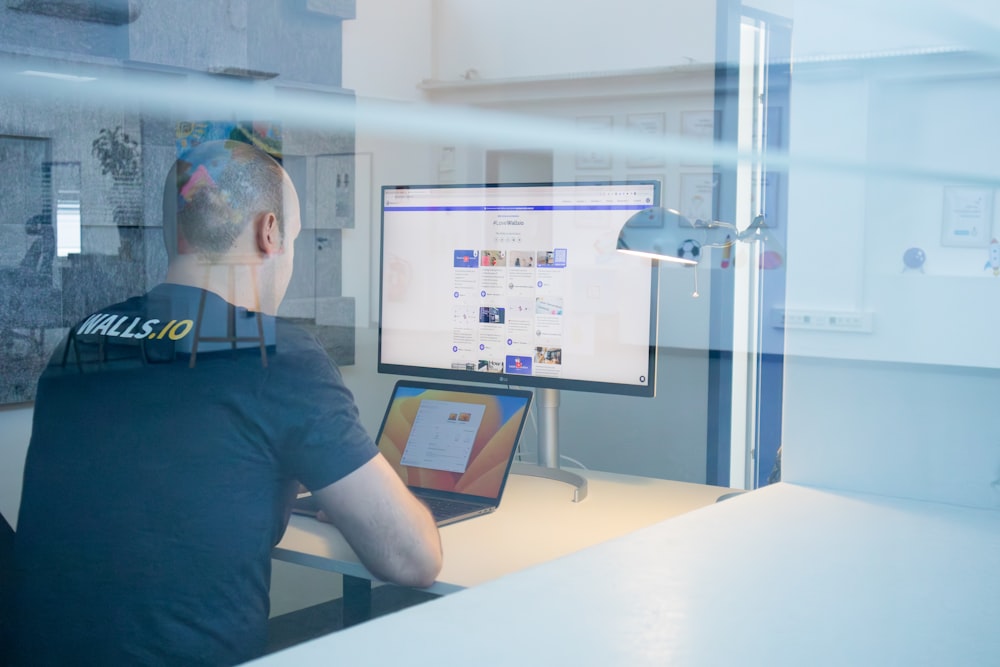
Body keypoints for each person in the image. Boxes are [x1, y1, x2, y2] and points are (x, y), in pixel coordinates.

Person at [11, 140, 441, 666]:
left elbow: (155, 470)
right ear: (269, 233)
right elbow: (412, 559)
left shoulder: (82, 340)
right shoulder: (275, 354)